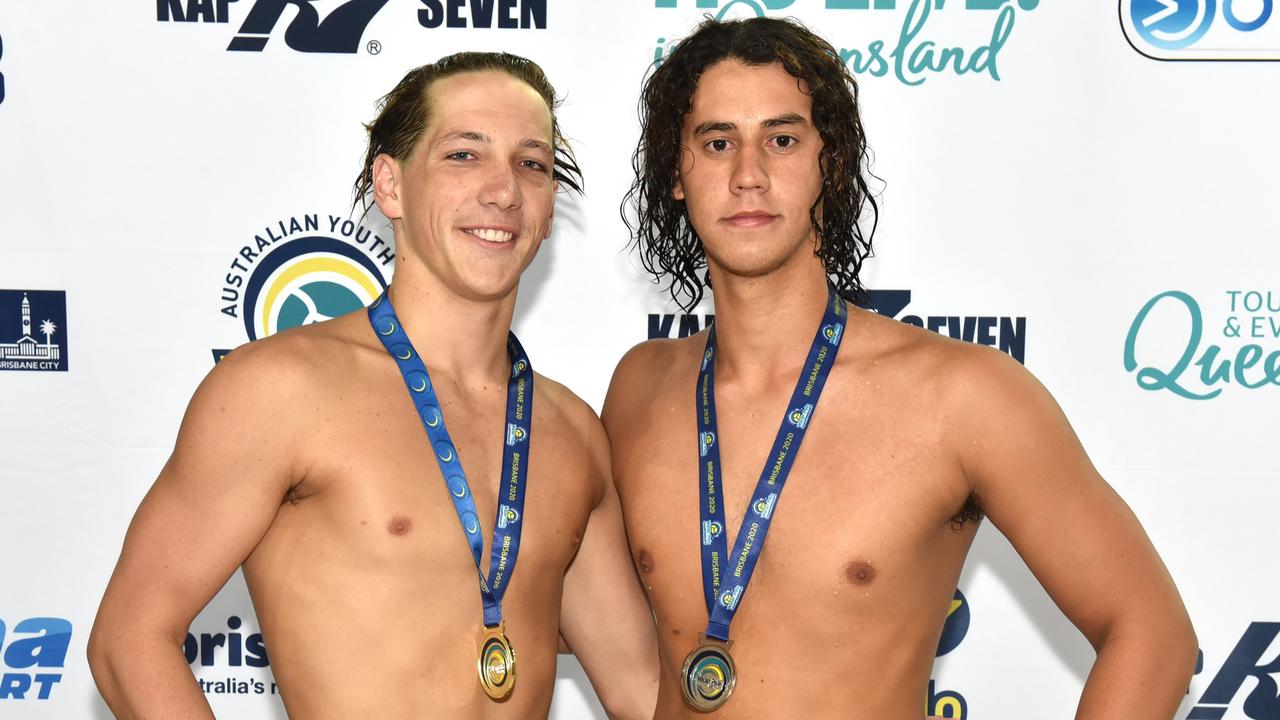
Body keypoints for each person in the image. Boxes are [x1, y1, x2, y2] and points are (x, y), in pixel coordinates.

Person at [604, 17, 1197, 719]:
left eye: (783, 139)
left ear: (833, 163)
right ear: (677, 174)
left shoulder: (964, 396)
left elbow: (1152, 631)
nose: (749, 175)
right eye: (718, 142)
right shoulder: (641, 388)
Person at [89, 52, 657, 719]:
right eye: (464, 156)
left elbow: (641, 688)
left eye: (531, 164)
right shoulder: (280, 388)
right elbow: (129, 638)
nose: (504, 190)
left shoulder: (570, 431)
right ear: (390, 185)